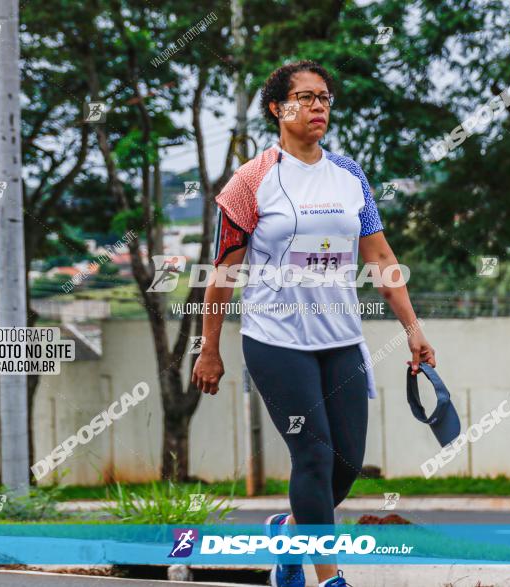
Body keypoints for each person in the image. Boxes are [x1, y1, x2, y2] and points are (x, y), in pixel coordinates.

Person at [192, 60, 435, 587]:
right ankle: (328, 577)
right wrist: (208, 348)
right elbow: (223, 271)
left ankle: (290, 531)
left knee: (346, 464)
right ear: (278, 109)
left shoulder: (350, 176)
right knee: (313, 456)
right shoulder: (251, 180)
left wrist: (412, 328)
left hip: (340, 338)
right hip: (275, 339)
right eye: (305, 97)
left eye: (324, 97)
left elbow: (381, 256)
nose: (318, 105)